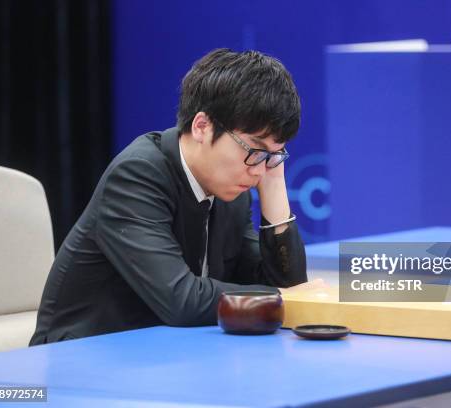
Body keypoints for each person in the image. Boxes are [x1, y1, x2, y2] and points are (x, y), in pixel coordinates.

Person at [30, 48, 323, 345]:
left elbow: (282, 285)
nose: (258, 170)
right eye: (254, 150)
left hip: (166, 356)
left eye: (273, 155)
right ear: (202, 127)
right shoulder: (137, 175)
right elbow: (179, 299)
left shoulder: (233, 190)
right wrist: (283, 298)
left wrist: (273, 184)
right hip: (81, 359)